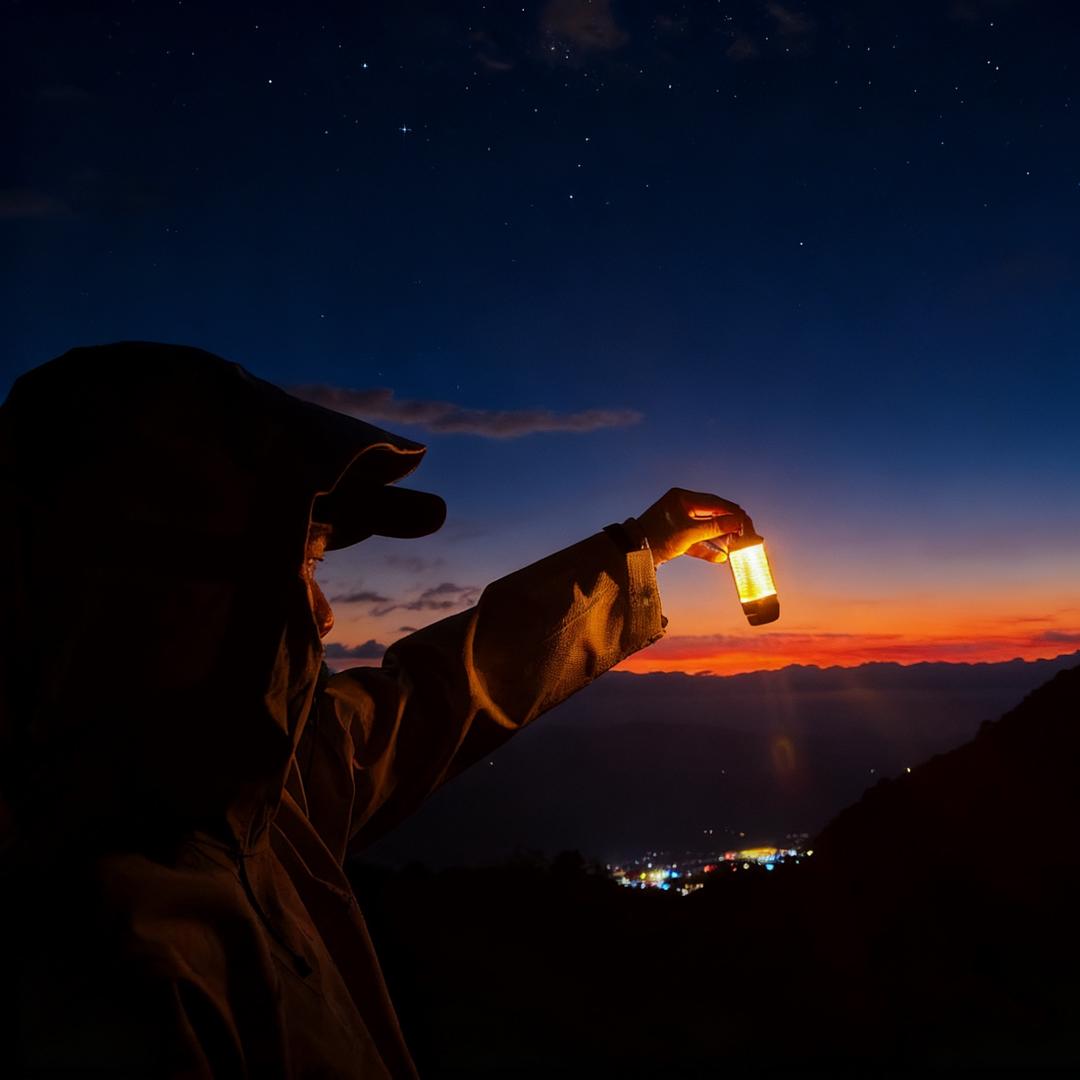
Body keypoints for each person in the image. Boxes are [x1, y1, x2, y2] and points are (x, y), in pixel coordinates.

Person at [0, 341, 749, 1077]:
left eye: (316, 562)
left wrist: (638, 549)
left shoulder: (265, 797)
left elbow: (445, 689)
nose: (323, 616)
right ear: (124, 589)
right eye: (295, 563)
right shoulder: (93, 973)